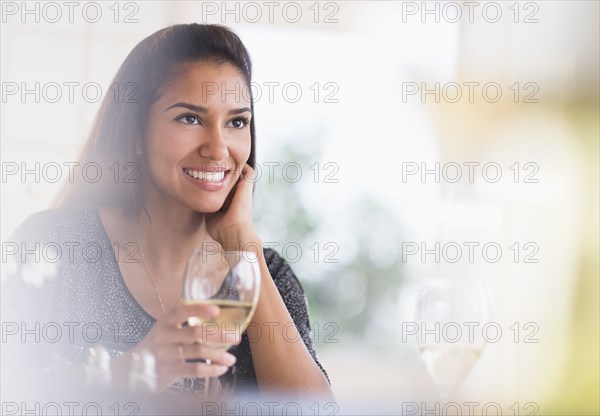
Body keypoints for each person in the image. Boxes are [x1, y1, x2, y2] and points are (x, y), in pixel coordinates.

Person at [1, 23, 332, 399]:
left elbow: (314, 409)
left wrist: (244, 249)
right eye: (190, 118)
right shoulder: (55, 246)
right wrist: (132, 371)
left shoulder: (265, 272)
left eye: (236, 122)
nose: (219, 148)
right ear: (136, 133)